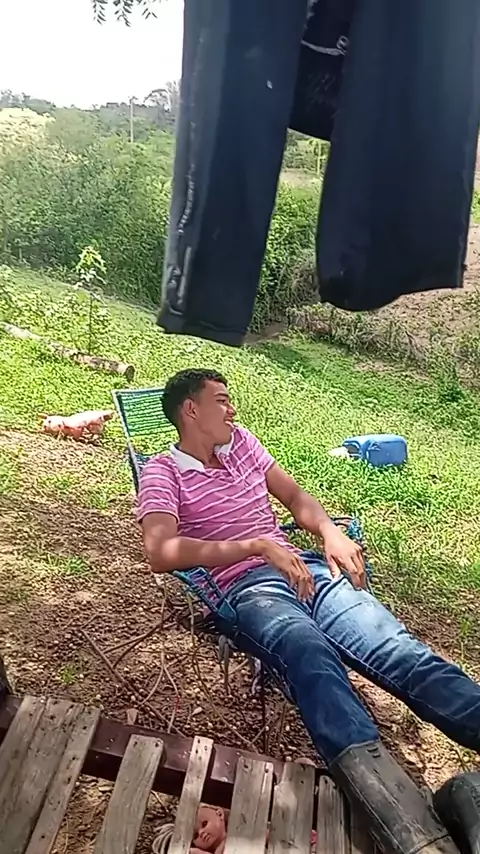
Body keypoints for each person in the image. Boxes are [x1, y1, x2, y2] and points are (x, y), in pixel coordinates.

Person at [138, 368, 480, 854]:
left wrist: (329, 531)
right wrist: (256, 546)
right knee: (311, 658)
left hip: (306, 571)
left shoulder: (243, 444)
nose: (232, 410)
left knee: (396, 648)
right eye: (222, 400)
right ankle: (410, 829)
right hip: (250, 588)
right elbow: (160, 551)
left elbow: (296, 497)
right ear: (191, 410)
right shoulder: (163, 472)